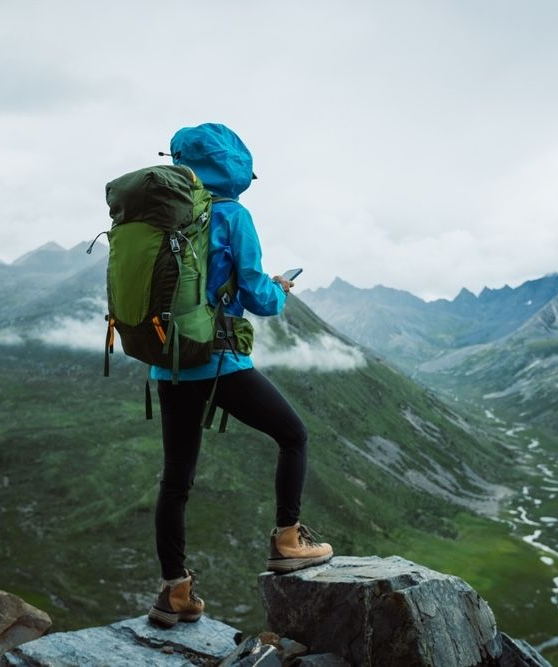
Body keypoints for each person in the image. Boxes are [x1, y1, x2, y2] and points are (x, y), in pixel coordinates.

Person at [147, 123, 333, 629]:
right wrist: (281, 292)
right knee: (293, 435)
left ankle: (174, 592)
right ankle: (288, 540)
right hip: (217, 358)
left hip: (169, 361)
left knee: (176, 480)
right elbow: (254, 293)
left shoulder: (163, 214)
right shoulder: (232, 214)